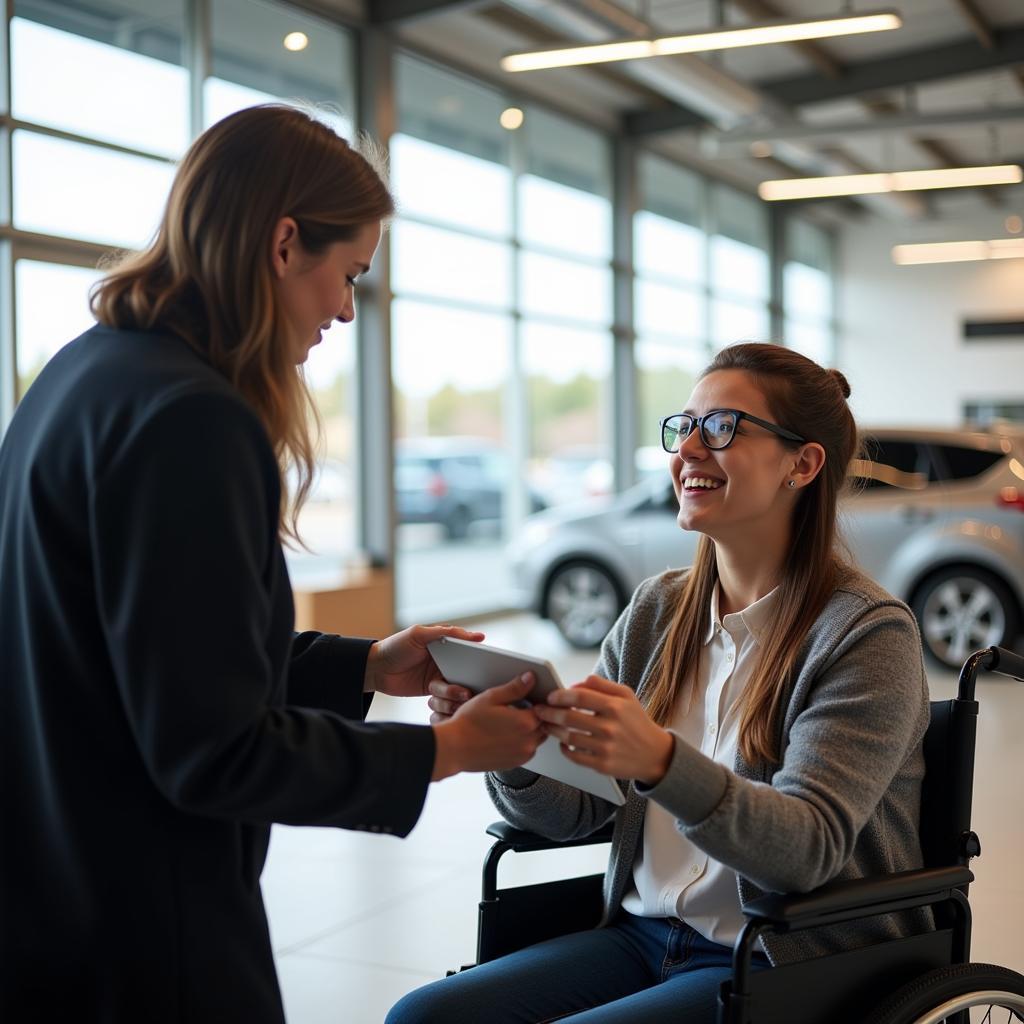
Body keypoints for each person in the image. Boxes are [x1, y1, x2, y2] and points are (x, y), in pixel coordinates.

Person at [0, 105, 545, 1023]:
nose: (343, 308)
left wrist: (365, 666)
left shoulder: (83, 374)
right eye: (350, 274)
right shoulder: (193, 420)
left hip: (53, 891)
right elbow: (210, 750)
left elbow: (145, 654)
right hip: (150, 929)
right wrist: (447, 750)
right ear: (286, 242)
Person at [388, 342, 931, 1024]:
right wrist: (518, 752)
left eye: (722, 427)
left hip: (780, 957)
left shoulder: (866, 634)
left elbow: (806, 851)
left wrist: (662, 762)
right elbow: (582, 812)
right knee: (424, 1017)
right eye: (684, 427)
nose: (689, 451)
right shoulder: (657, 611)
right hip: (642, 934)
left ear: (803, 463)